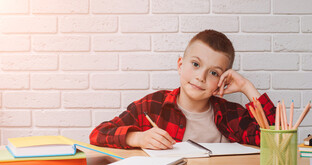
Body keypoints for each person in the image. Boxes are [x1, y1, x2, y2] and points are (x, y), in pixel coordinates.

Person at [89, 29, 275, 150]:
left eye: (213, 73)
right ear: (180, 65)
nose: (200, 77)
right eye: (195, 64)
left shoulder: (231, 114)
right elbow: (98, 134)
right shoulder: (152, 106)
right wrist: (137, 138)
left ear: (223, 80)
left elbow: (277, 141)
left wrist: (246, 87)